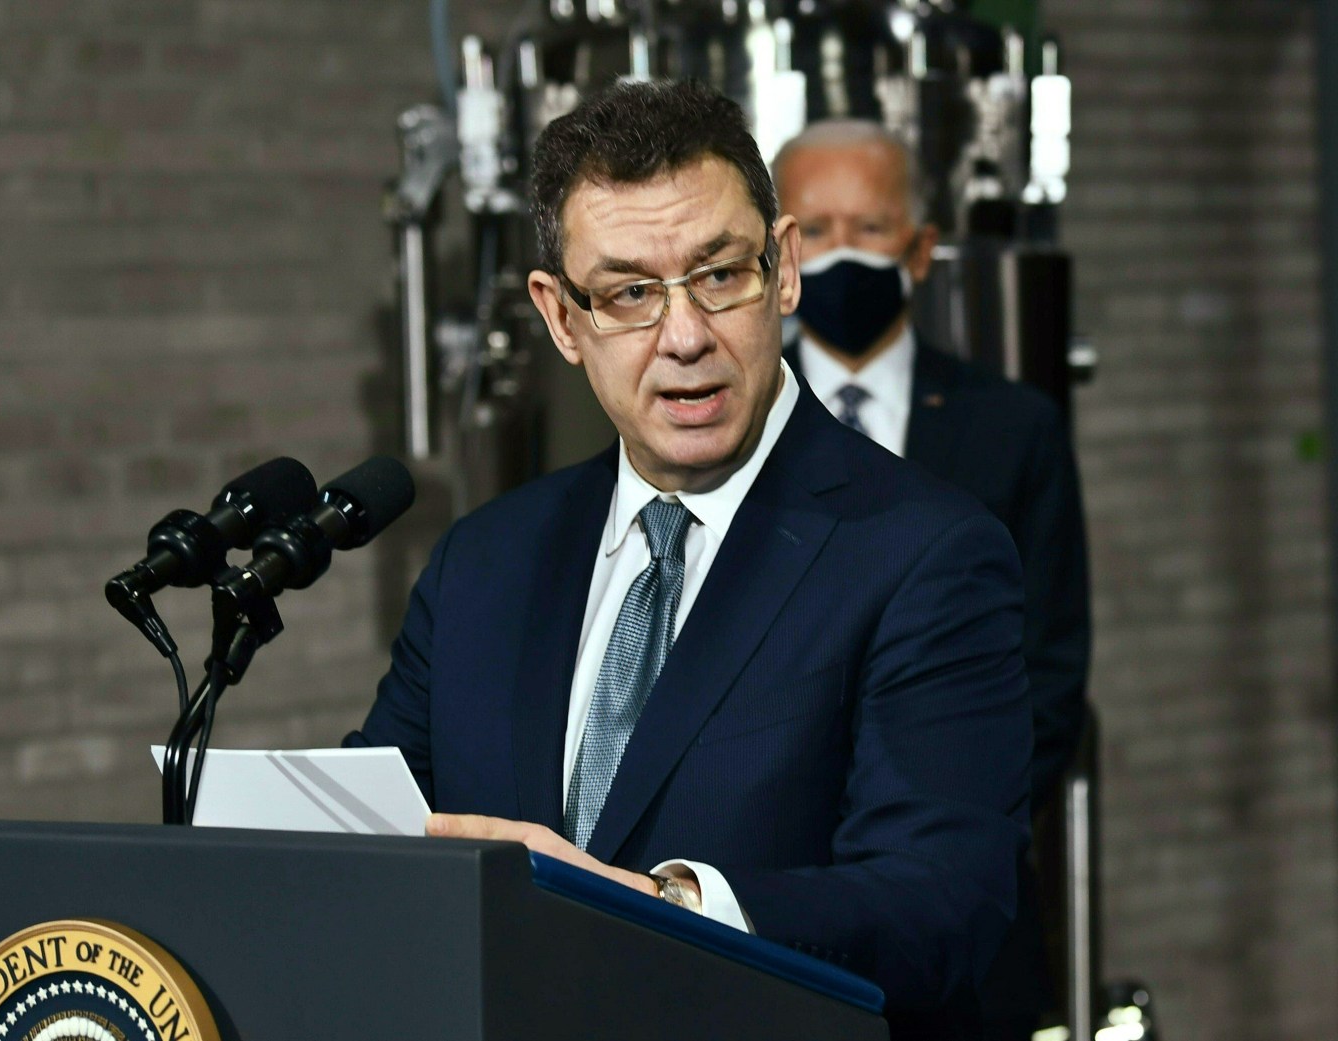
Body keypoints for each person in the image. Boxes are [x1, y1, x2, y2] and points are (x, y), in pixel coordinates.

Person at [347, 79, 1031, 1039]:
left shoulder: (925, 554)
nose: (685, 337)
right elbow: (373, 840)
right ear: (560, 318)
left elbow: (941, 907)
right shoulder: (484, 563)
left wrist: (666, 906)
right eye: (629, 293)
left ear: (783, 269)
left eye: (719, 275)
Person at [773, 119, 1092, 1041]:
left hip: (965, 924)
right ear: (779, 255)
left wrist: (936, 818)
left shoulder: (1014, 427)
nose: (843, 254)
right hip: (771, 919)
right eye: (816, 229)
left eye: (869, 228)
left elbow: (1050, 673)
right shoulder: (721, 426)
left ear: (920, 249)